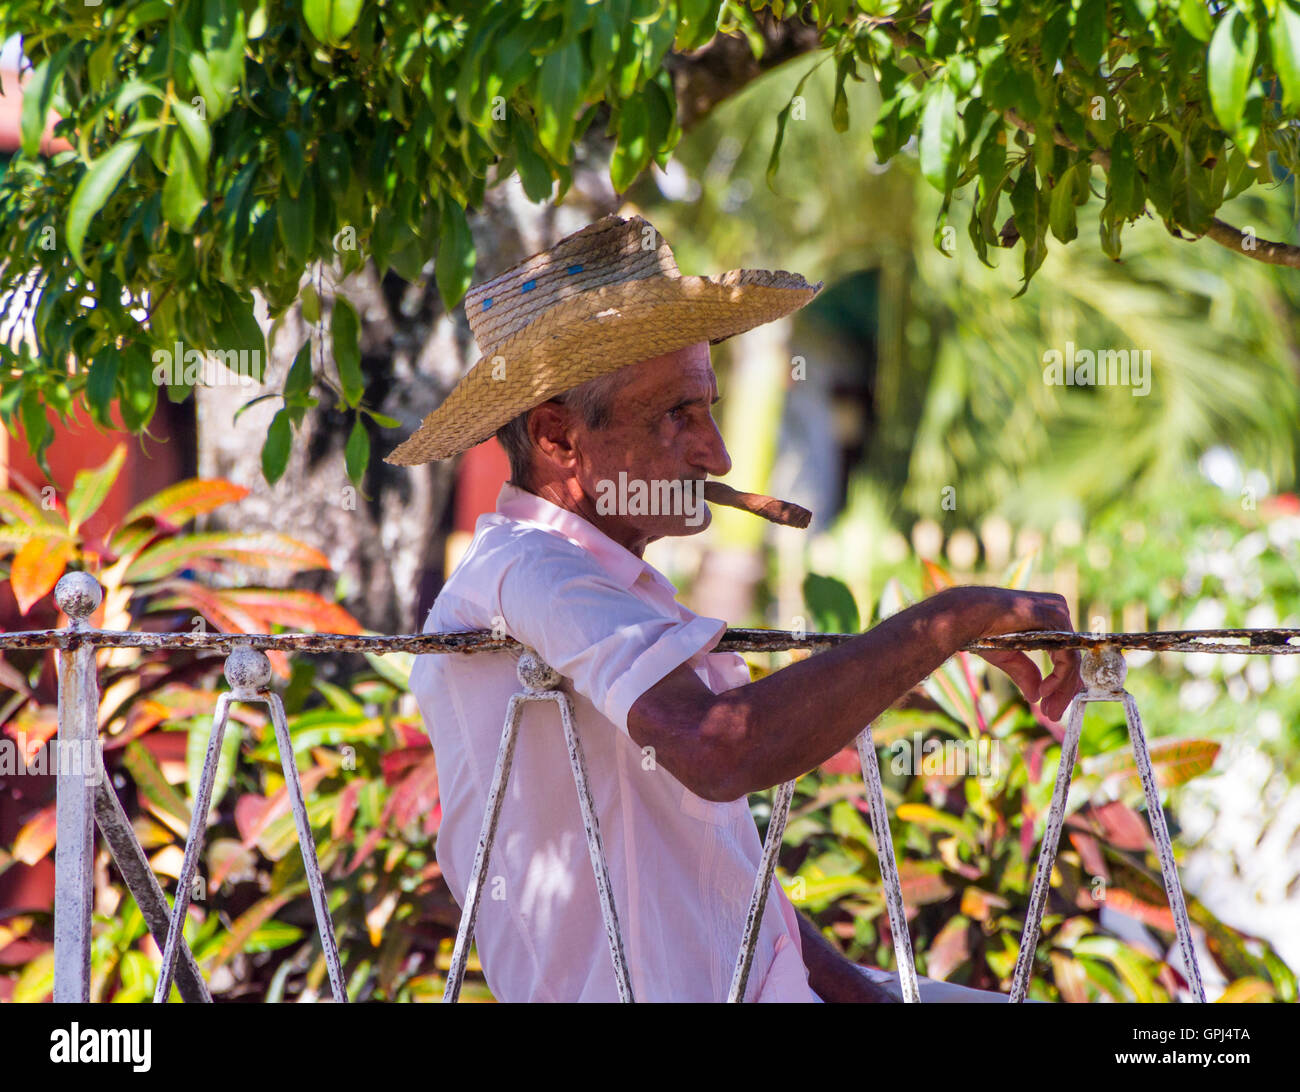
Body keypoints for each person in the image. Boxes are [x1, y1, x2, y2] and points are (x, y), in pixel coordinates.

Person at [388, 213, 1082, 1001]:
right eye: (676, 416)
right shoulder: (529, 571)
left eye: (707, 408)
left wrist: (866, 996)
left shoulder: (604, 585)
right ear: (557, 438)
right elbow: (721, 748)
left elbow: (725, 886)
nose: (716, 454)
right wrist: (951, 621)